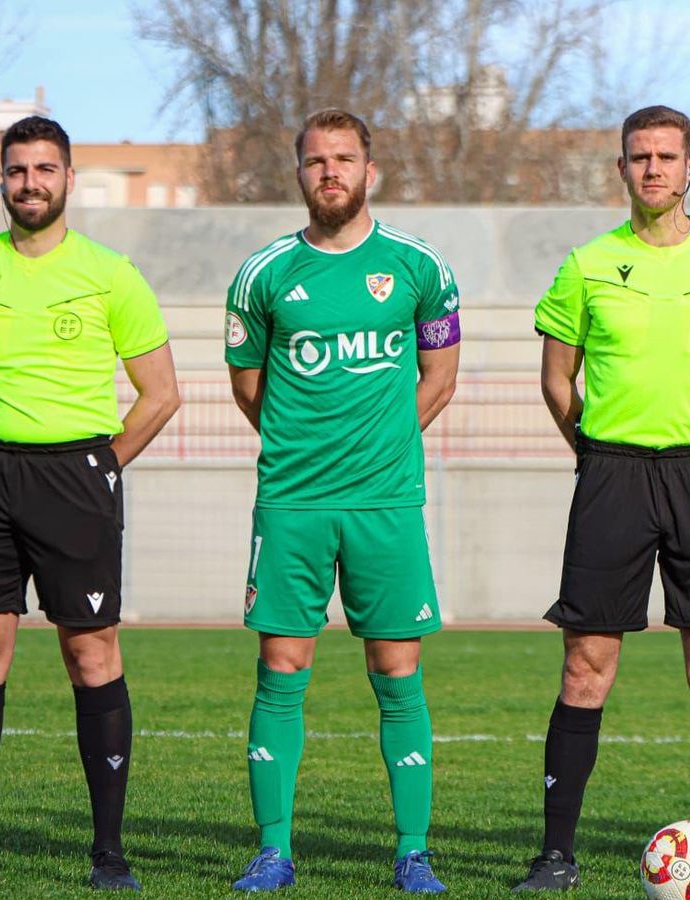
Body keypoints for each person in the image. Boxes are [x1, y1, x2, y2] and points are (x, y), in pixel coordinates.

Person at [0, 115, 180, 891]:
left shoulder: (110, 273)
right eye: (17, 170)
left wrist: (98, 470)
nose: (30, 183)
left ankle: (109, 854)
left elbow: (161, 396)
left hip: (77, 478)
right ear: (1, 179)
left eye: (45, 169)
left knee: (90, 654)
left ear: (68, 178)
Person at [512, 105, 690, 895]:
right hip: (612, 478)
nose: (653, 168)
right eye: (639, 157)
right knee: (586, 664)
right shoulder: (587, 264)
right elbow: (558, 377)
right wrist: (593, 455)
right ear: (621, 170)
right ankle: (556, 854)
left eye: (667, 156)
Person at [223, 109, 461, 894]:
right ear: (298, 173)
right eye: (316, 160)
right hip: (291, 503)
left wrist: (384, 442)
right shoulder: (262, 275)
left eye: (344, 158)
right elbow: (250, 389)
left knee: (397, 672)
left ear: (371, 169)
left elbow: (440, 378)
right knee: (280, 667)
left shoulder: (419, 267)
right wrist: (306, 448)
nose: (330, 172)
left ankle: (413, 851)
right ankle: (273, 850)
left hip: (386, 503)